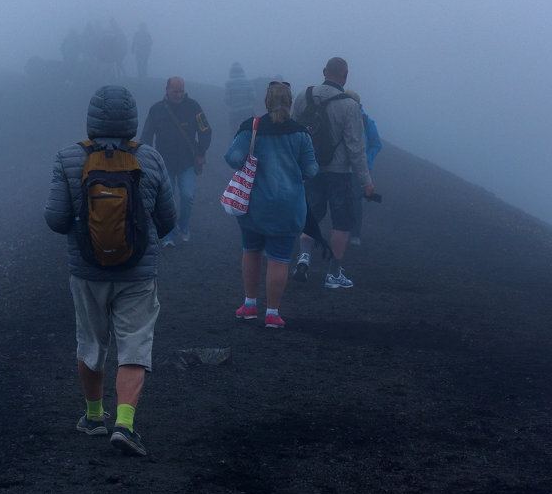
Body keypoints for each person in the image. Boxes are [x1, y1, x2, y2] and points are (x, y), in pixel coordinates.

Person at [45, 85, 177, 457]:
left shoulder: (69, 157)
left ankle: (92, 417)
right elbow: (168, 219)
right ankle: (124, 424)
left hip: (87, 271)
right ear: (132, 120)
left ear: (91, 118)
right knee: (134, 344)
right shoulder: (150, 159)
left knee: (91, 341)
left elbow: (55, 219)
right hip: (137, 273)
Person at [225, 81, 318, 328]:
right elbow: (311, 169)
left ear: (266, 101)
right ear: (289, 102)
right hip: (288, 209)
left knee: (251, 251)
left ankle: (250, 305)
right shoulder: (301, 133)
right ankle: (273, 314)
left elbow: (233, 158)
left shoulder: (251, 127)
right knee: (279, 259)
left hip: (254, 206)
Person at [290, 56, 375, 288]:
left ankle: (304, 257)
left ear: (324, 70)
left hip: (310, 169)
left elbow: (293, 132)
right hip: (339, 173)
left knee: (311, 216)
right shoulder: (349, 105)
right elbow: (356, 147)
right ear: (345, 77)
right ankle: (334, 273)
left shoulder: (303, 96)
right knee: (341, 223)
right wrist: (366, 180)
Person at [140, 76, 212, 245]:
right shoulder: (156, 110)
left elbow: (206, 130)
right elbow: (146, 136)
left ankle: (183, 226)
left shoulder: (194, 107)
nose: (179, 95)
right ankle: (169, 234)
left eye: (181, 91)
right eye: (175, 91)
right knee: (168, 199)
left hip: (187, 162)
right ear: (167, 90)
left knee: (188, 196)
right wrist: (147, 159)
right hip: (164, 163)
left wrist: (201, 153)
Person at [343, 90, 381, 246]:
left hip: (359, 170)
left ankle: (355, 234)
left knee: (355, 201)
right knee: (342, 200)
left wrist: (366, 159)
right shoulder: (343, 118)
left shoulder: (366, 122)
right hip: (343, 167)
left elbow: (376, 144)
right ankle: (344, 232)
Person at [224, 61, 256, 131]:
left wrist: (233, 105)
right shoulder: (248, 82)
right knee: (249, 131)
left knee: (233, 132)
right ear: (241, 71)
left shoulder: (228, 83)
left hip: (233, 112)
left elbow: (227, 100)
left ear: (231, 72)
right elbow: (252, 97)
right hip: (247, 111)